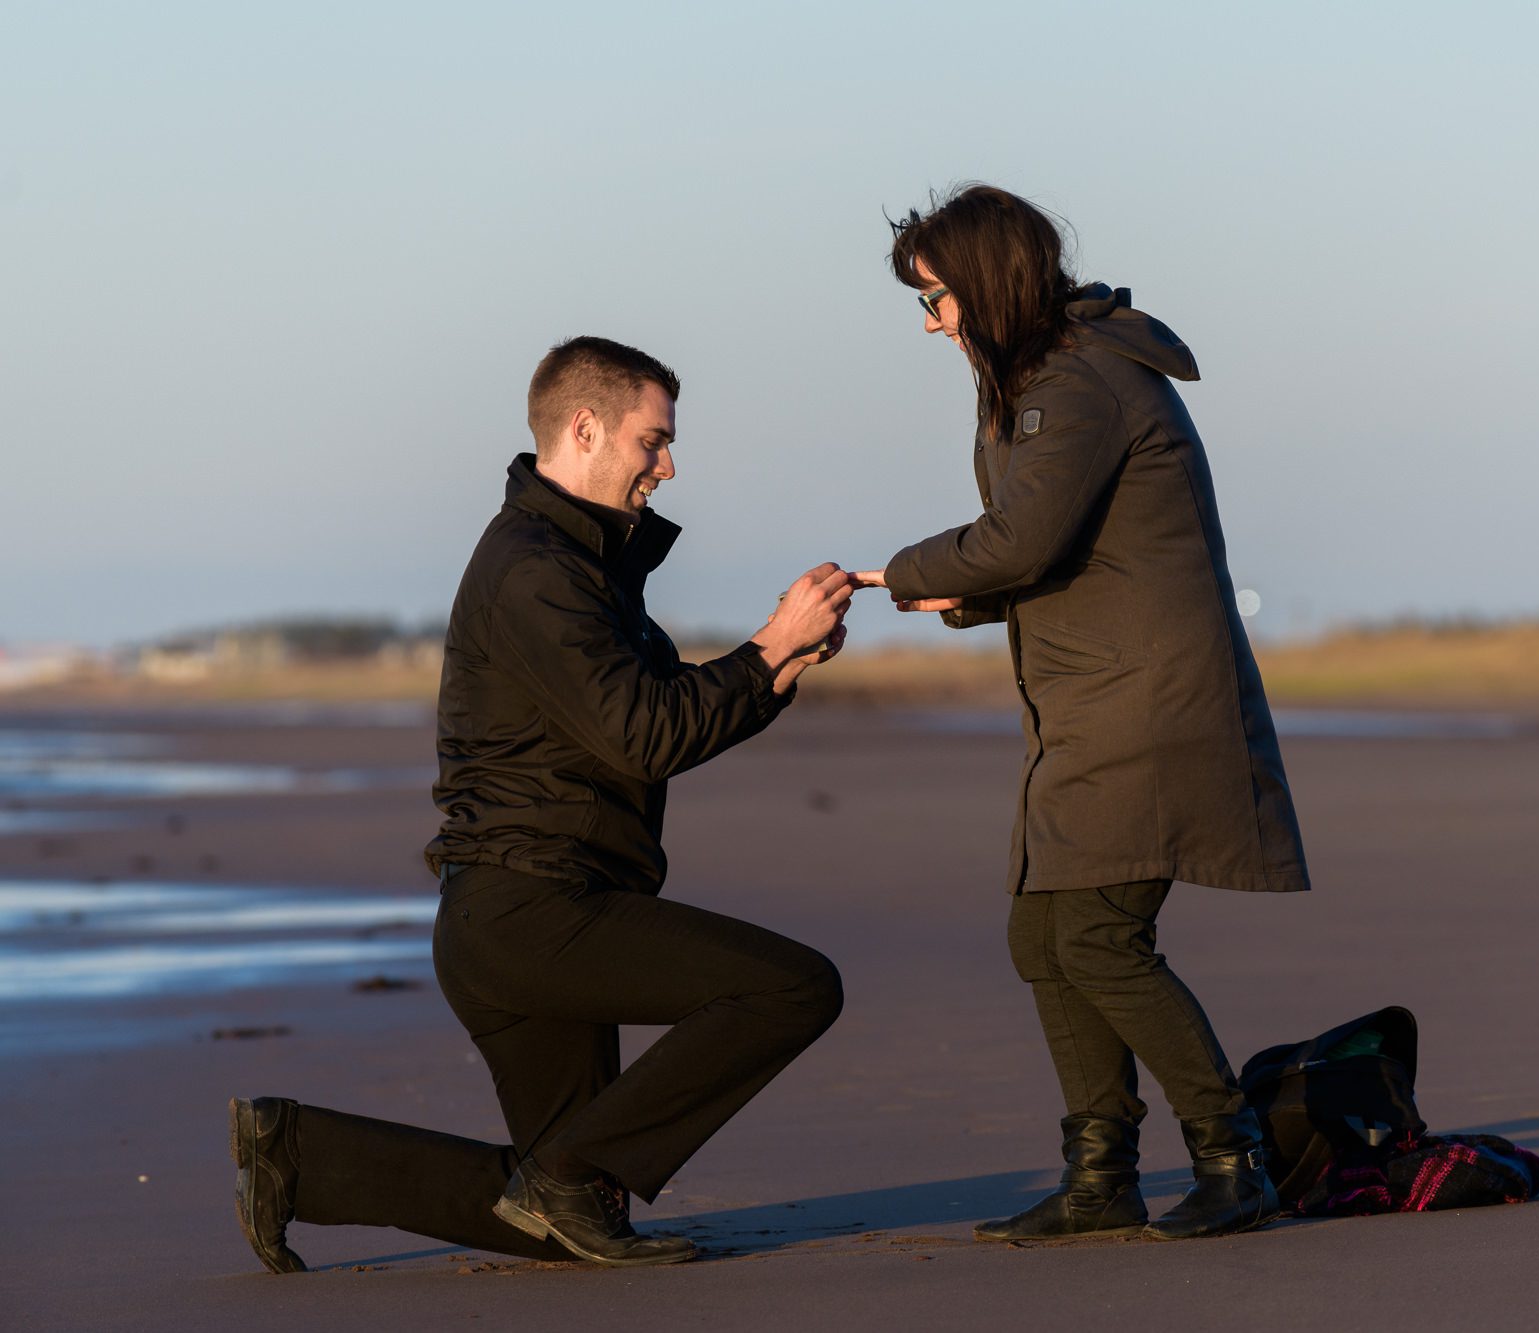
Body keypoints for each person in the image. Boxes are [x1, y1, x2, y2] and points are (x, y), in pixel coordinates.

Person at [229, 336, 852, 1271]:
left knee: (563, 1209)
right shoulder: (537, 569)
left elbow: (654, 722)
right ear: (586, 426)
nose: (668, 465)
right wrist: (764, 648)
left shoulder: (580, 566)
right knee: (792, 987)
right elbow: (644, 731)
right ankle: (555, 1175)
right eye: (654, 440)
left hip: (518, 912)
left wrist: (778, 669)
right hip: (533, 910)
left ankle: (301, 1156)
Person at [852, 185, 1312, 1242]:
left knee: (1099, 937)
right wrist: (958, 592)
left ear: (985, 284)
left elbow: (1020, 537)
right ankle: (1099, 1172)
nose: (932, 325)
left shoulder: (1075, 378)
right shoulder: (1046, 373)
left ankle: (1231, 1156)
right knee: (1043, 936)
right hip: (1095, 699)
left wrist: (898, 575)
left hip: (1142, 706)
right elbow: (1049, 544)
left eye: (934, 300)